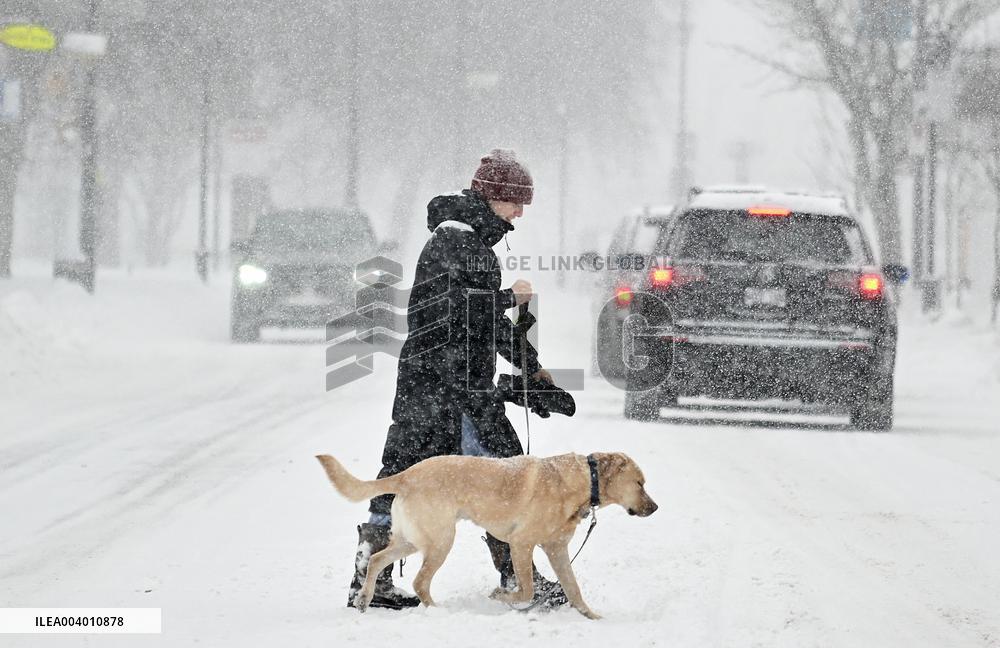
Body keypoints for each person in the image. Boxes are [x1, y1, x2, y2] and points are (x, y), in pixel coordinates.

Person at [346, 149, 567, 609]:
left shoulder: (472, 244)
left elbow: (485, 323)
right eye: (514, 202)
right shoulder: (454, 241)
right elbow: (453, 311)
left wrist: (530, 365)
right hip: (438, 386)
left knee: (499, 476)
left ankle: (511, 576)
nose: (520, 213)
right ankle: (374, 580)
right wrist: (511, 295)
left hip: (460, 386)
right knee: (423, 477)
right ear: (491, 197)